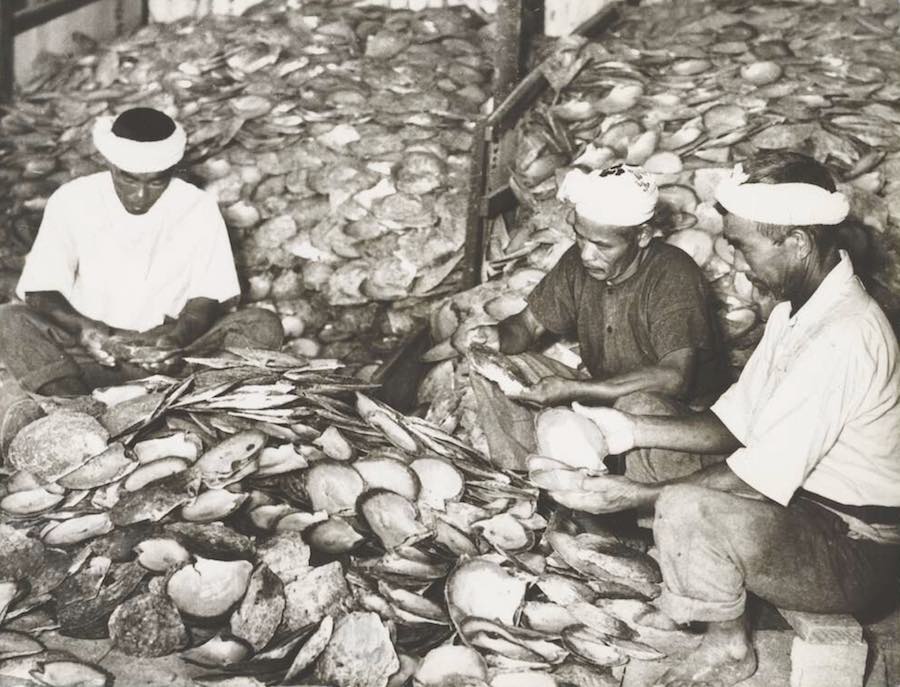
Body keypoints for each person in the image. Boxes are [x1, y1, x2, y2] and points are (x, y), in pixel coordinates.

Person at [538, 152, 900, 686]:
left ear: (796, 242)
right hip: (802, 510)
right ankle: (691, 580)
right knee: (641, 410)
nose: (740, 263)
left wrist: (630, 495)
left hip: (853, 548)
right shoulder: (795, 311)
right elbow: (730, 426)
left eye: (744, 246)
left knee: (688, 507)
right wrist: (620, 428)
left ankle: (728, 647)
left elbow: (757, 474)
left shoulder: (845, 336)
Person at [0, 107, 283, 443]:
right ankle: (82, 414)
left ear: (172, 170)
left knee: (261, 324)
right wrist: (87, 331)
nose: (139, 196)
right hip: (89, 349)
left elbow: (206, 297)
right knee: (9, 319)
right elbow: (39, 290)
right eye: (128, 178)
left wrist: (175, 340)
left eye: (155, 182)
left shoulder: (198, 207)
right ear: (109, 164)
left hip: (169, 353)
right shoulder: (73, 200)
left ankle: (166, 400)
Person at [469, 164, 726, 473]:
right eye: (580, 238)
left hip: (678, 413)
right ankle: (531, 477)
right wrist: (497, 335)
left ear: (642, 236)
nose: (587, 254)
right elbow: (526, 325)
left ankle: (635, 511)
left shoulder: (673, 275)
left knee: (640, 404)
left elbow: (673, 378)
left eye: (603, 245)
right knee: (492, 368)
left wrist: (575, 389)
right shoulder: (578, 264)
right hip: (600, 391)